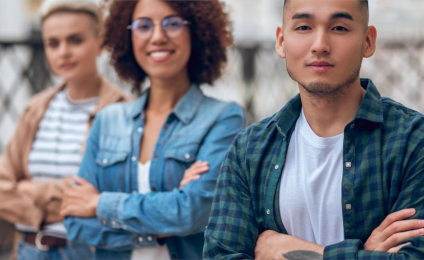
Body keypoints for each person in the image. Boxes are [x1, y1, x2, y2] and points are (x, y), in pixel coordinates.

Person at [204, 0, 424, 259]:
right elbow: (221, 255)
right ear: (281, 41)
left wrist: (295, 252)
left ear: (368, 41)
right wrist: (363, 255)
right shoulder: (249, 150)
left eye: (339, 28)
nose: (320, 44)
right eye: (304, 27)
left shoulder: (412, 140)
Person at [61, 0, 245, 259]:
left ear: (198, 32)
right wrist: (159, 229)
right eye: (143, 25)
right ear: (128, 36)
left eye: (172, 24)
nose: (158, 37)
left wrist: (99, 204)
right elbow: (76, 223)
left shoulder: (223, 118)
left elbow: (193, 211)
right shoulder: (107, 121)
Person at [0, 0, 129, 259]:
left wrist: (28, 189)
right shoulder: (36, 108)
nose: (63, 52)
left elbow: (109, 193)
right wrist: (56, 201)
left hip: (87, 251)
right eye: (53, 43)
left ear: (100, 42)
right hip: (28, 250)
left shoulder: (122, 111)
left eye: (75, 40)